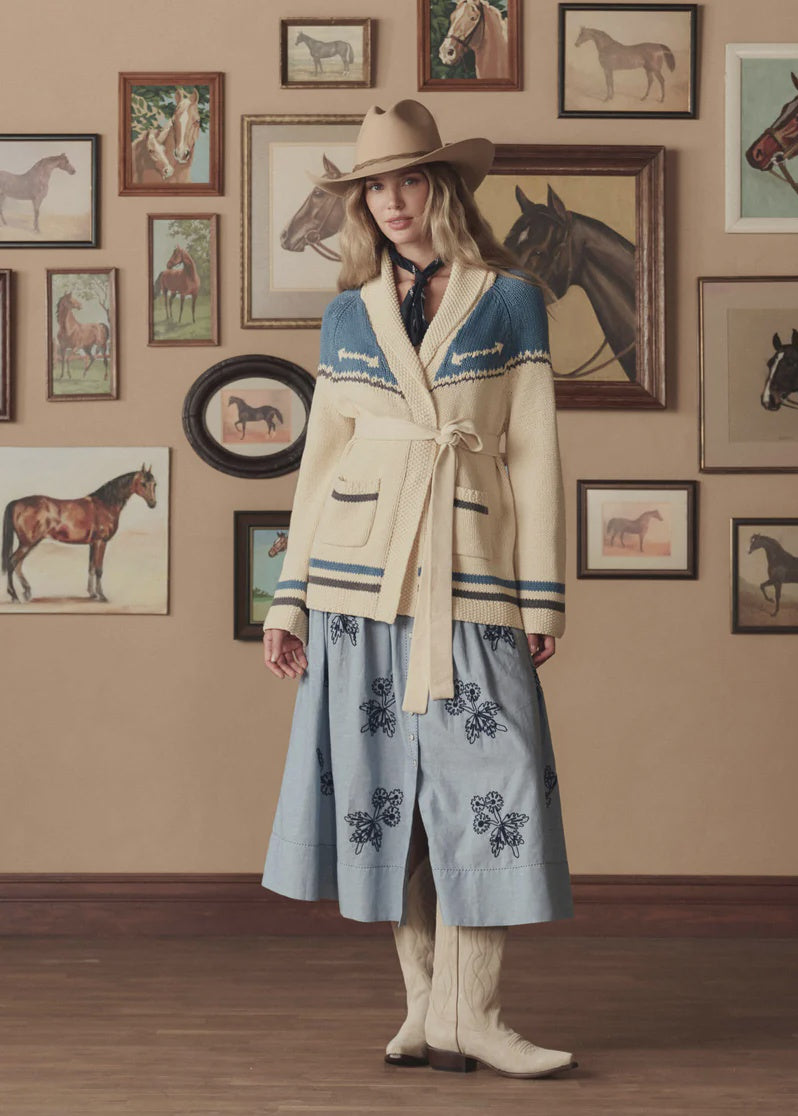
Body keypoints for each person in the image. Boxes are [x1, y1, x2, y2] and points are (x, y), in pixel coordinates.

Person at [260, 99, 576, 1079]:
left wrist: (540, 597)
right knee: (389, 800)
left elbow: (534, 454)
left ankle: (473, 1015)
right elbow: (319, 463)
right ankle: (426, 1010)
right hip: (356, 588)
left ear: (442, 188)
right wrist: (288, 599)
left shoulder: (511, 300)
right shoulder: (346, 315)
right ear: (360, 204)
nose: (392, 203)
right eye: (374, 189)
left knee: (490, 791)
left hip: (470, 578)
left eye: (409, 181)